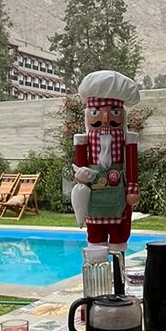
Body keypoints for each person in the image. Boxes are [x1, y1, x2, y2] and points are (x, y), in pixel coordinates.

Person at [70, 69, 139, 268]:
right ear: (88, 114)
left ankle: (119, 276)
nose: (106, 118)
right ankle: (98, 275)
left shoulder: (127, 140)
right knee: (95, 240)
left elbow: (132, 164)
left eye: (114, 112)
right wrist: (81, 180)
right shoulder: (83, 140)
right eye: (97, 112)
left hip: (119, 197)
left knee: (119, 238)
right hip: (94, 200)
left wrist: (132, 188)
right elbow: (80, 169)